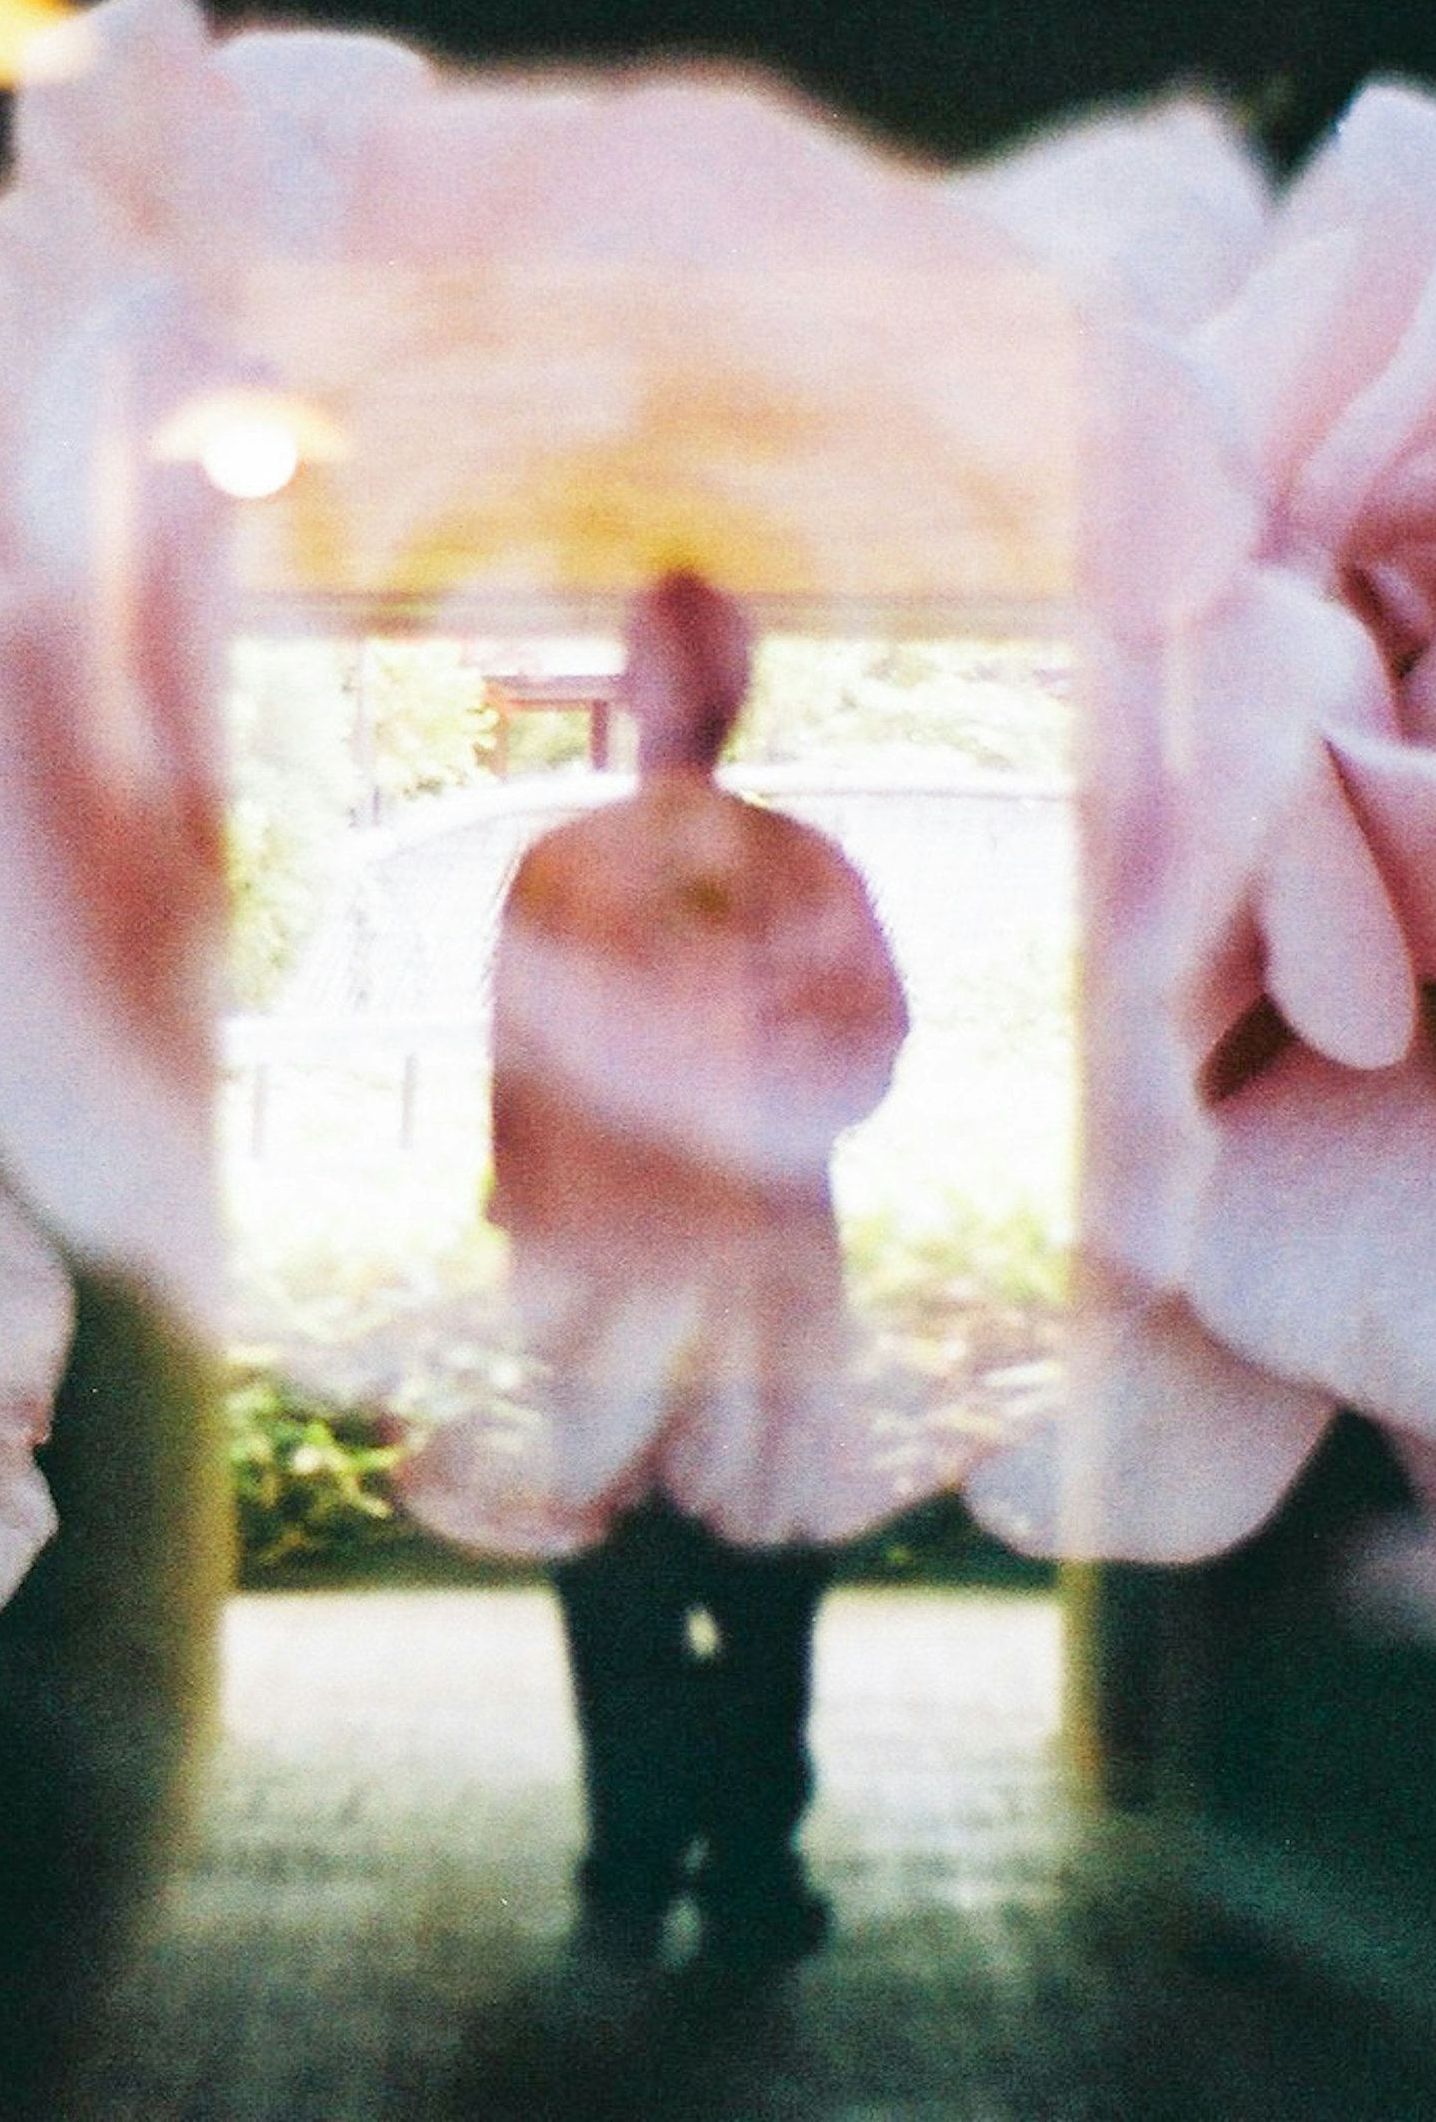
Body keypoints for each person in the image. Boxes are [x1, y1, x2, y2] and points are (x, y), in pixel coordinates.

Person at [485, 571, 912, 1971]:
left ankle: (634, 1868)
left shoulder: (558, 870)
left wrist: (544, 1253)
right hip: (764, 1298)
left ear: (626, 690)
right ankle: (747, 1868)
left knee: (622, 1603)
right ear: (739, 689)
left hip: (613, 1301)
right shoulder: (808, 868)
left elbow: (516, 1095)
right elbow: (867, 1058)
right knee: (767, 1599)